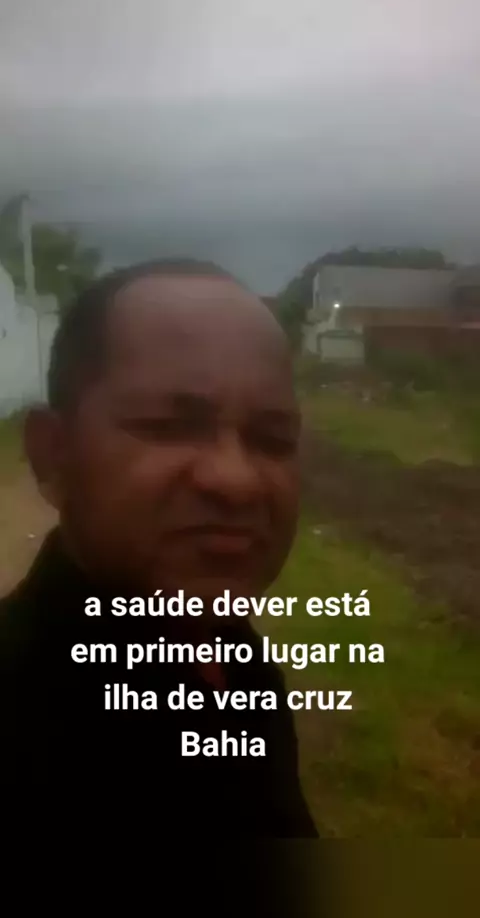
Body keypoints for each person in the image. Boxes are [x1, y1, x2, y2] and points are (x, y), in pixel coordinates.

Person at [0, 258, 318, 838]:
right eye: (169, 427)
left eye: (272, 439)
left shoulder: (236, 661)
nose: (237, 481)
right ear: (53, 455)